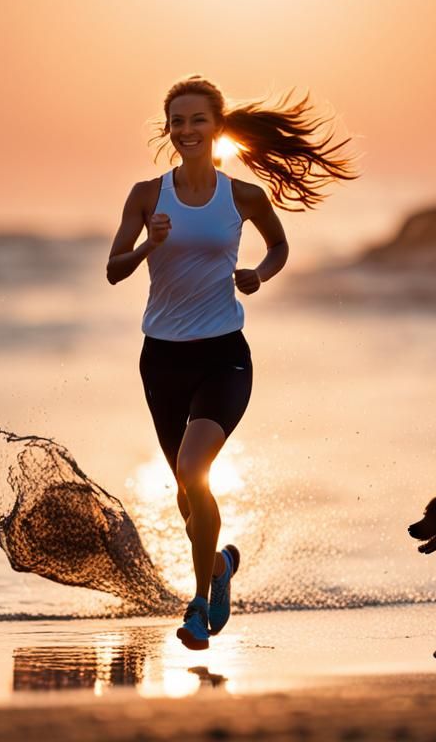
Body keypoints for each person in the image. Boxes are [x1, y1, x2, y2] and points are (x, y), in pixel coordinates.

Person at [106, 75, 356, 649]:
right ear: (167, 129)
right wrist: (149, 245)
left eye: (198, 120)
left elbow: (279, 245)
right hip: (161, 359)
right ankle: (218, 566)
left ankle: (197, 606)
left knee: (196, 470)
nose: (188, 130)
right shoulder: (147, 195)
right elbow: (115, 268)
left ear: (217, 127)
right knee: (184, 494)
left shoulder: (242, 197)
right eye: (177, 121)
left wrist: (258, 276)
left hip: (224, 356)